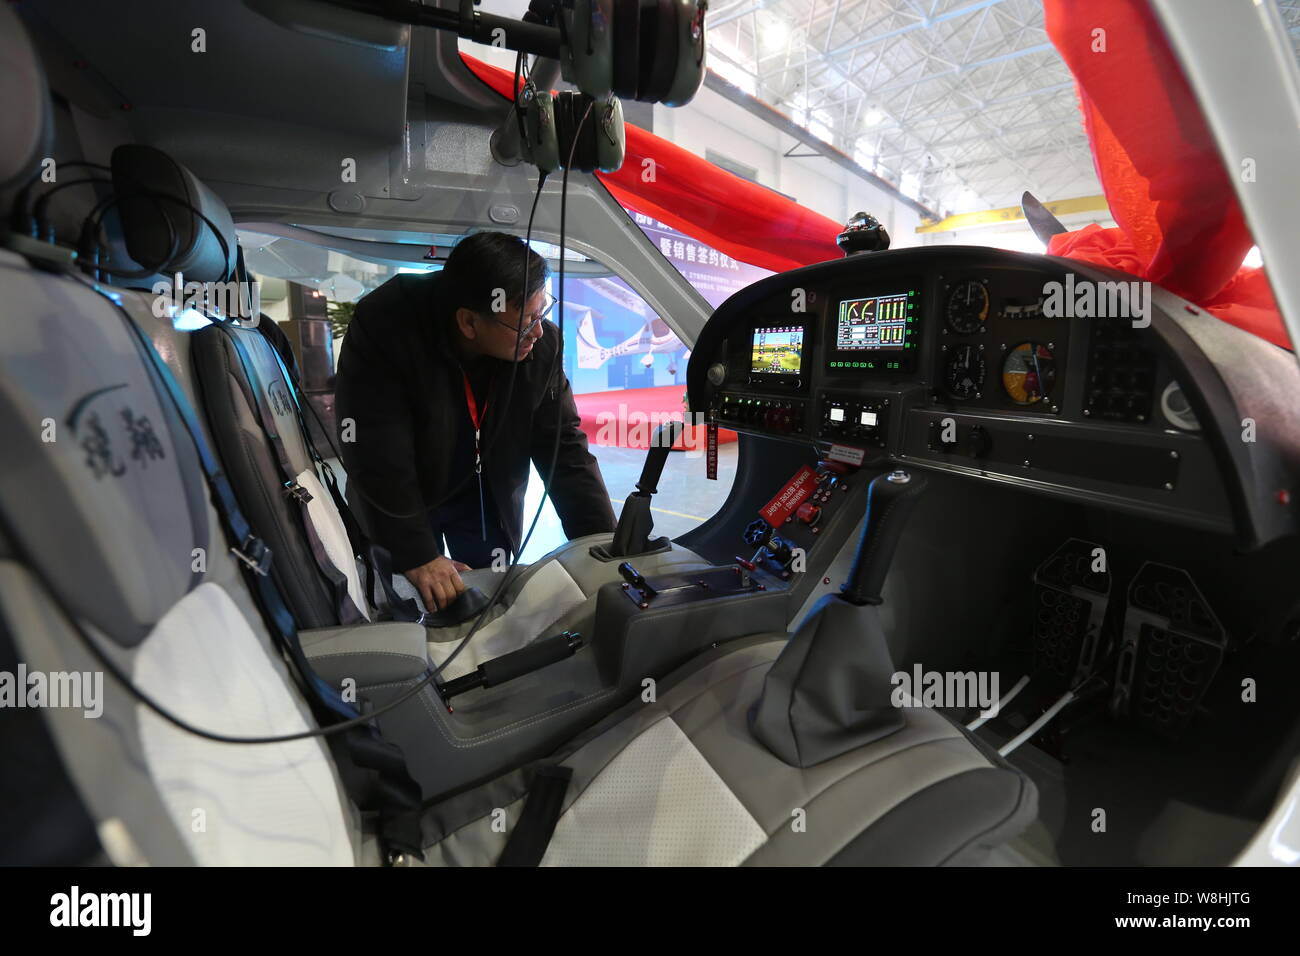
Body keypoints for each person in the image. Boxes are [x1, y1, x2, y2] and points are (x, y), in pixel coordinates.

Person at [334, 231, 616, 612]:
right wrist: (417, 554)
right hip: (404, 491)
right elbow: (374, 447)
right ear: (468, 322)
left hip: (487, 490)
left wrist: (604, 546)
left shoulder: (542, 342)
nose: (538, 331)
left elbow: (564, 448)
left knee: (491, 598)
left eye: (543, 313)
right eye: (527, 321)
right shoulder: (387, 324)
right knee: (407, 593)